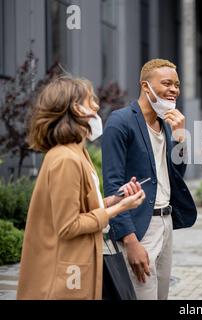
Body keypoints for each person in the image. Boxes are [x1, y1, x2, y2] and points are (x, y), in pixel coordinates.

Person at [17, 77, 146, 300]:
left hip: (74, 269)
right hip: (65, 277)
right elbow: (68, 225)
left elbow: (80, 209)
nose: (96, 106)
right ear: (76, 107)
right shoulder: (66, 159)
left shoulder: (76, 153)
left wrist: (115, 199)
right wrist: (119, 209)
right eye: (91, 99)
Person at [102, 59, 197, 300]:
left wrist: (180, 139)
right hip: (139, 226)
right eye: (166, 83)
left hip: (166, 223)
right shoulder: (120, 121)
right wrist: (130, 241)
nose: (174, 89)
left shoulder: (166, 125)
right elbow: (113, 186)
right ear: (146, 86)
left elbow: (176, 176)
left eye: (176, 84)